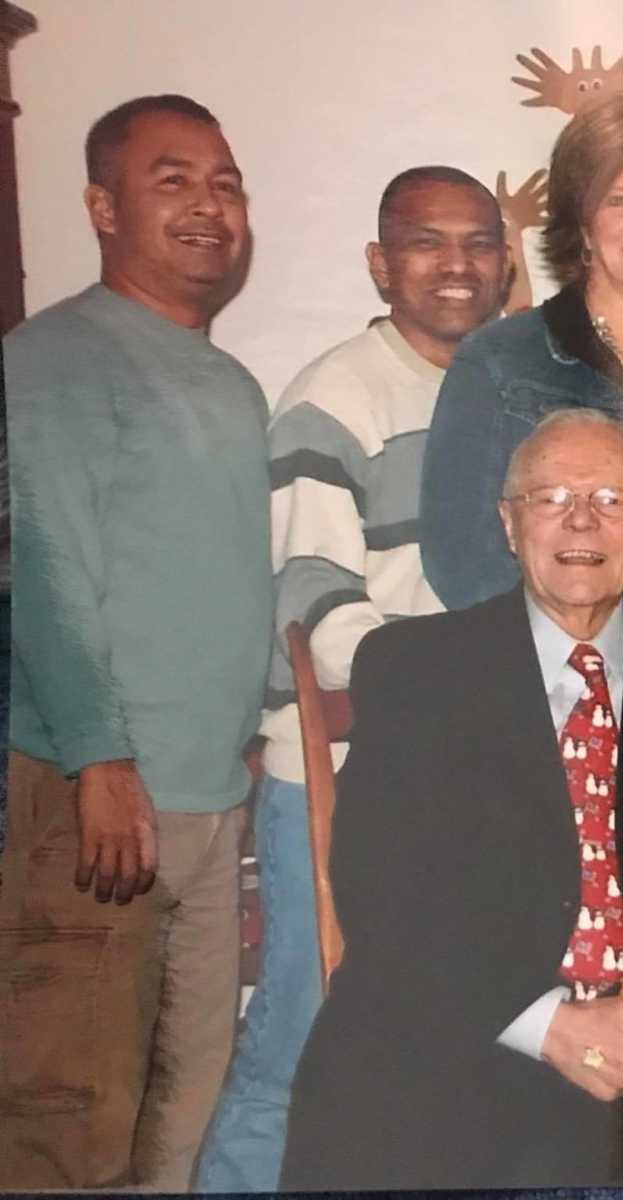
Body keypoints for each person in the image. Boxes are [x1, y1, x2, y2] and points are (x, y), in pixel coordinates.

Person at [280, 410, 623, 1189]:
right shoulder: (415, 670)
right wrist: (547, 1025)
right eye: (550, 498)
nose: (581, 519)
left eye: (612, 499)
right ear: (510, 523)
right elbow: (382, 888)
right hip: (470, 1034)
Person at [193, 166, 511, 1191]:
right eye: (427, 241)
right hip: (336, 773)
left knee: (448, 1045)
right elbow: (312, 604)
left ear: (506, 265)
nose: (454, 265)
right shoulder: (334, 399)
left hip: (465, 776)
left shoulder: (504, 392)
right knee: (303, 1034)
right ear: (381, 264)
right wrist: (457, 685)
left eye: (477, 242)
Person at [0, 94, 271, 1190]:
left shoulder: (229, 379)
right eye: (174, 180)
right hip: (97, 798)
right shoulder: (55, 354)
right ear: (102, 207)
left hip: (204, 800)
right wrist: (100, 762)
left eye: (225, 181)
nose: (209, 204)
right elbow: (47, 571)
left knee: (183, 1113)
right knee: (70, 1114)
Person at [419, 91, 623, 623]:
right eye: (618, 199)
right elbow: (459, 560)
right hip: (548, 689)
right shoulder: (497, 364)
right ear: (583, 223)